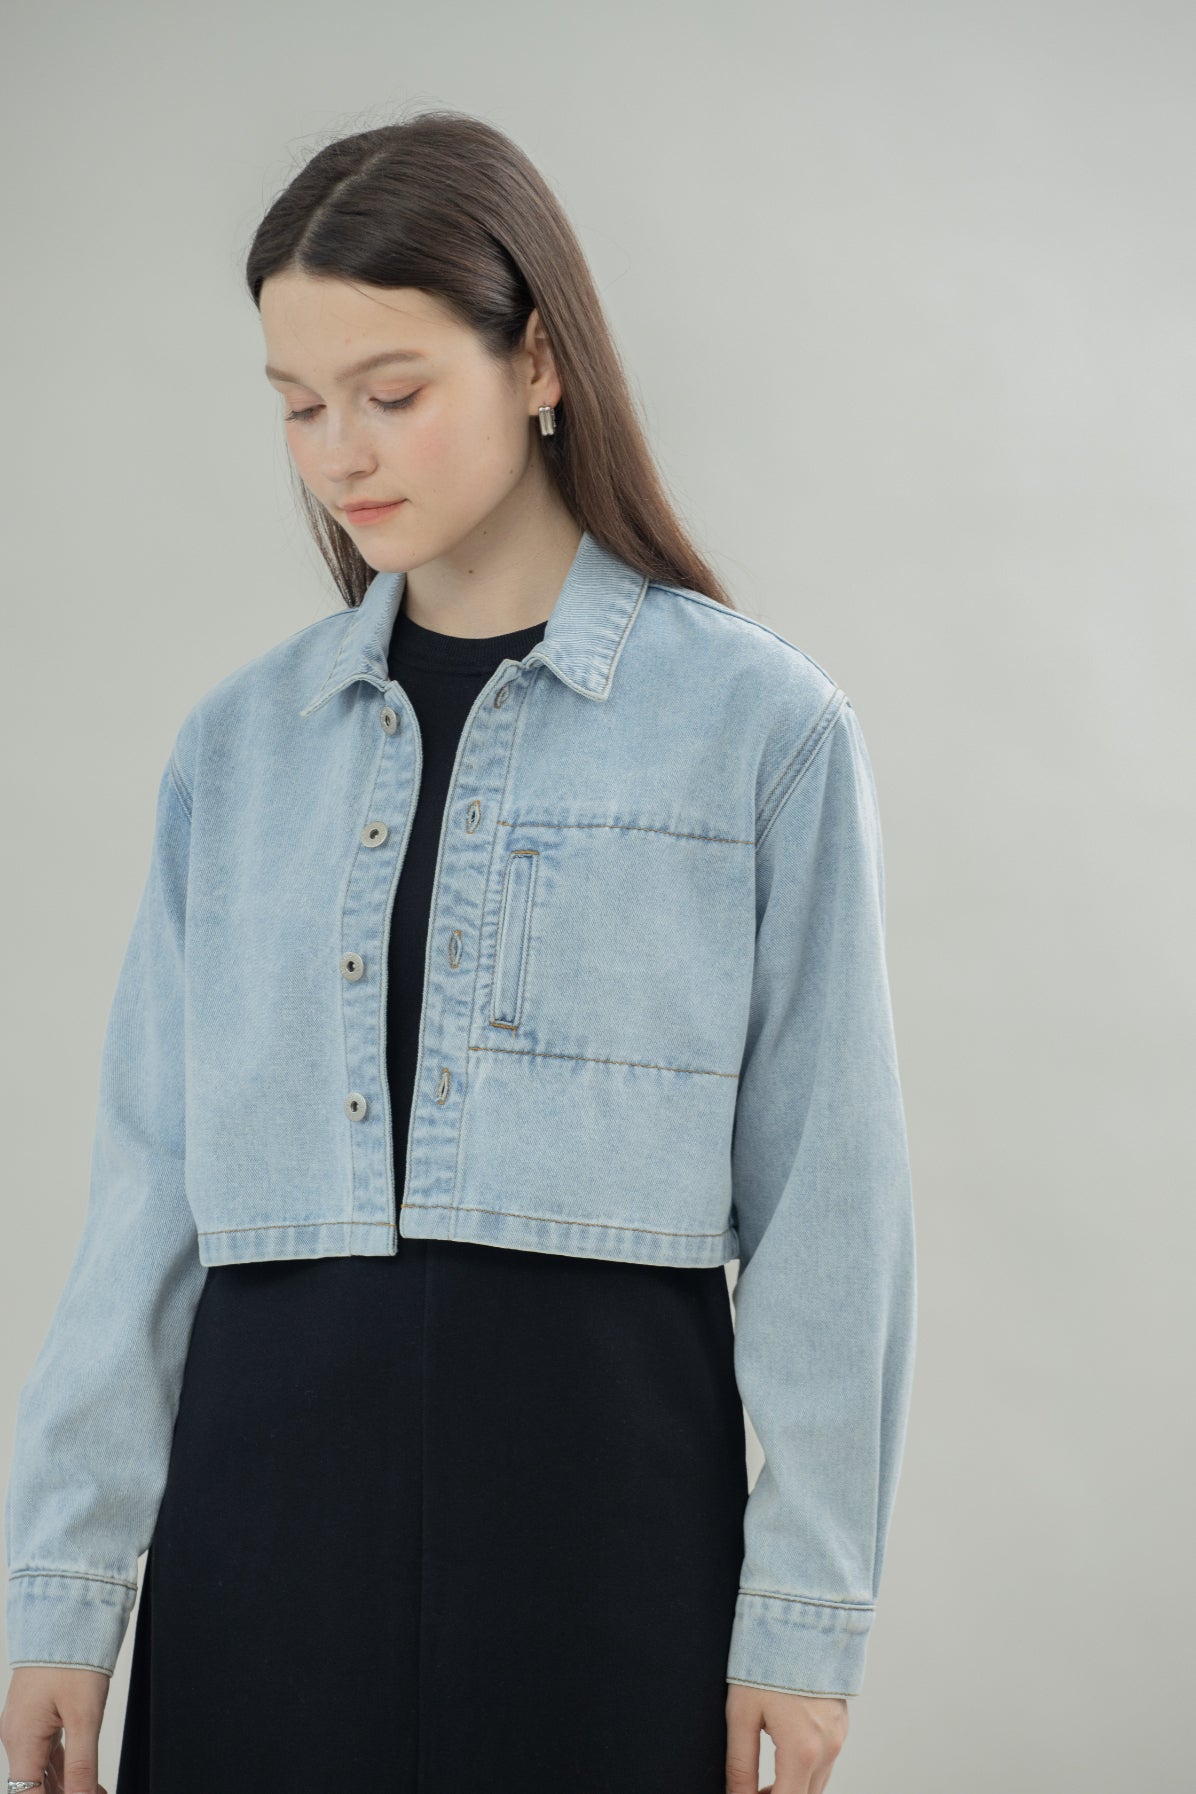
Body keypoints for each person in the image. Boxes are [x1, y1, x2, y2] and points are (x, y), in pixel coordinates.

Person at [1, 109, 917, 1794]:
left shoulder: (761, 731)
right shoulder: (239, 750)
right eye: (298, 405)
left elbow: (829, 1199)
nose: (340, 451)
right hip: (262, 1523)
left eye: (392, 390)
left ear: (539, 360)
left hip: (605, 1531)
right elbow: (148, 1191)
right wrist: (64, 1580)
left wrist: (801, 1614)